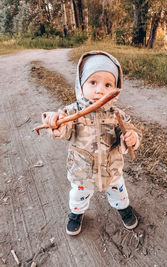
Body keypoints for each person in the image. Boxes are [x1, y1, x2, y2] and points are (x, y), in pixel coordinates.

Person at [42, 51, 142, 236]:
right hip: (82, 171)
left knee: (119, 192)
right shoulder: (72, 111)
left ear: (116, 88)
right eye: (93, 82)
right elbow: (63, 130)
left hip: (111, 169)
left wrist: (132, 138)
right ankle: (76, 213)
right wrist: (56, 123)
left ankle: (123, 208)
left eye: (108, 84)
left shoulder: (116, 114)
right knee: (78, 196)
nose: (100, 90)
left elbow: (129, 131)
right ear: (81, 85)